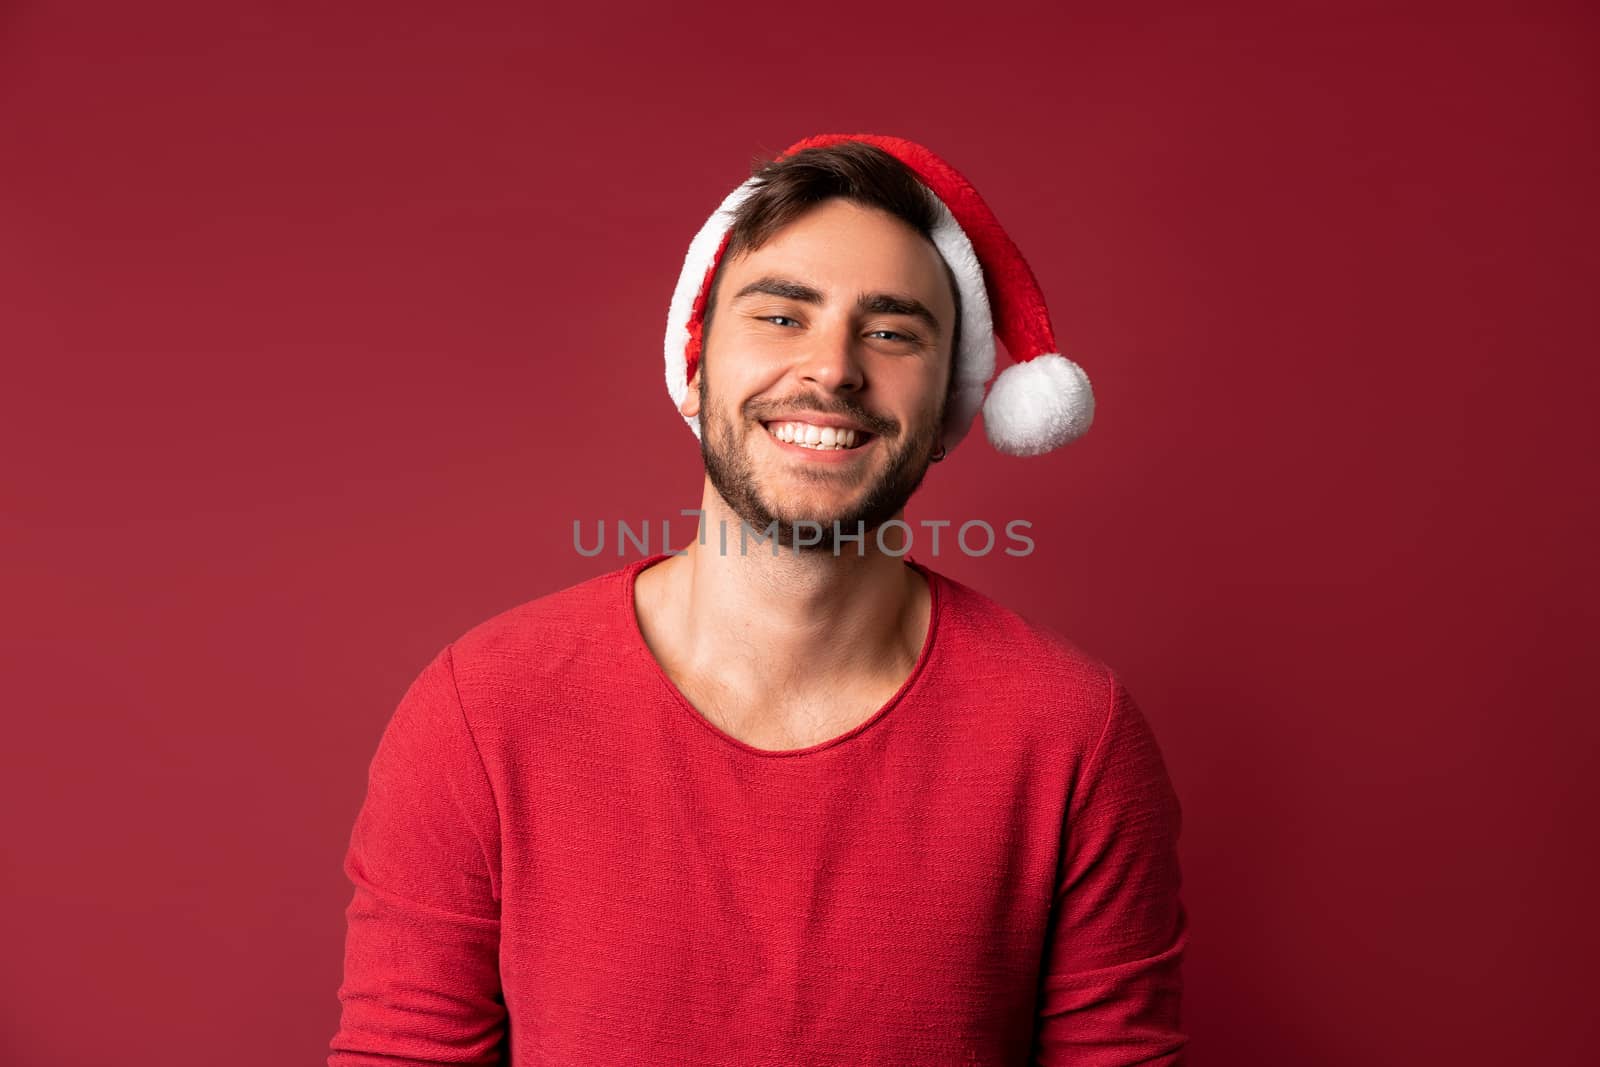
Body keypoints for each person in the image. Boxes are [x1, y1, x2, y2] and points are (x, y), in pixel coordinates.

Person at [329, 133, 1189, 1066]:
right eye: (782, 317)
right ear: (695, 370)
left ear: (953, 406)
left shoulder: (1073, 733)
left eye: (892, 331)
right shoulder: (482, 712)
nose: (833, 369)